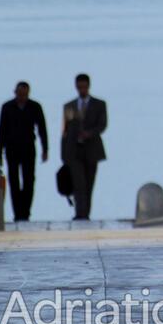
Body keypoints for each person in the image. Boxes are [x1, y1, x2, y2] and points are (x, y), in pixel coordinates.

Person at [0, 81, 48, 221]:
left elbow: (42, 128)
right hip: (11, 149)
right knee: (13, 181)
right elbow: (2, 130)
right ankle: (17, 213)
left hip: (28, 148)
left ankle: (26, 212)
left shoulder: (35, 107)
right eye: (20, 94)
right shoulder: (7, 107)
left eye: (25, 94)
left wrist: (45, 149)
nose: (22, 97)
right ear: (15, 92)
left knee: (29, 180)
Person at [62, 73, 107, 220]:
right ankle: (79, 213)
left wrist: (89, 133)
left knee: (89, 183)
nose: (82, 89)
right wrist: (63, 153)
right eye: (79, 86)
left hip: (92, 150)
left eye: (84, 86)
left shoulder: (99, 104)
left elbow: (102, 125)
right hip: (74, 151)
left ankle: (86, 213)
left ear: (88, 86)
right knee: (78, 184)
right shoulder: (69, 106)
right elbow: (64, 131)